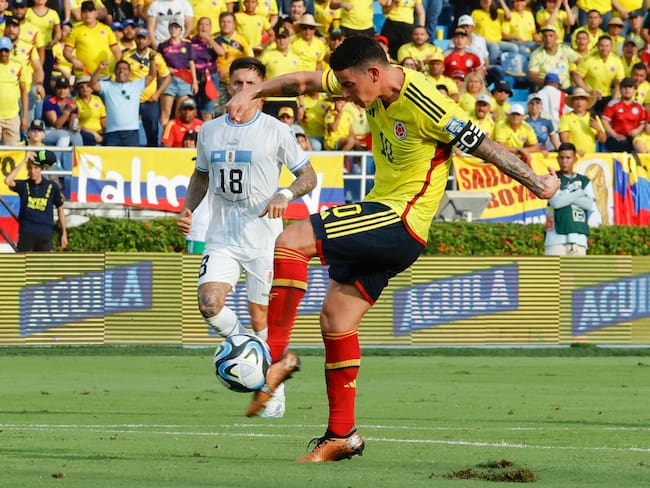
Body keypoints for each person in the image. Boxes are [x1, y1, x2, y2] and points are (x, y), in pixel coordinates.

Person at [225, 36, 559, 462]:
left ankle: (271, 357)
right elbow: (308, 80)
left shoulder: (429, 105)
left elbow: (487, 148)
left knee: (291, 240)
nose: (345, 95)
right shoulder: (368, 82)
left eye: (348, 86)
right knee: (335, 320)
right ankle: (342, 435)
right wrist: (255, 90)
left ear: (374, 73)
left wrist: (538, 184)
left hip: (399, 217)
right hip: (391, 225)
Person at [177, 56, 317, 418]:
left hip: (264, 239)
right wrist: (188, 209)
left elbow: (308, 177)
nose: (242, 90)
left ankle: (274, 388)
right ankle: (245, 347)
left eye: (250, 84)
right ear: (228, 86)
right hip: (222, 235)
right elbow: (201, 176)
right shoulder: (209, 130)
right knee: (209, 303)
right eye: (236, 83)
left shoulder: (276, 131)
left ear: (262, 91)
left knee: (261, 320)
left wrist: (284, 195)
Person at [4, 149, 67, 252]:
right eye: (30, 168)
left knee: (41, 267)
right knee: (24, 266)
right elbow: (8, 181)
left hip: (45, 233)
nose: (33, 171)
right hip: (27, 231)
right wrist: (24, 160)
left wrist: (64, 232)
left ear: (41, 169)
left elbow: (60, 208)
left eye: (36, 168)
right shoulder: (24, 185)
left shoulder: (52, 186)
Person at [90, 56, 157, 146]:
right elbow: (92, 84)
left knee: (130, 159)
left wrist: (152, 60)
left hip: (131, 132)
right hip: (112, 133)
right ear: (115, 72)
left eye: (125, 69)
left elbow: (152, 75)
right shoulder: (107, 86)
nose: (121, 71)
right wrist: (100, 69)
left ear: (129, 73)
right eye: (119, 69)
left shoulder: (137, 85)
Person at [544, 142, 595, 256]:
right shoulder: (552, 178)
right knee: (553, 274)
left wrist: (564, 195)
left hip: (579, 239)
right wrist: (579, 193)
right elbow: (556, 202)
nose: (564, 161)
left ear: (575, 159)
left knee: (578, 274)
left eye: (568, 158)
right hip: (555, 239)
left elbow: (589, 204)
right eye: (561, 158)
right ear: (557, 159)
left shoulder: (584, 180)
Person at [601, 76, 646, 152]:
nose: (627, 90)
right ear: (620, 89)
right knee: (622, 143)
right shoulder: (612, 104)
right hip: (615, 139)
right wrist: (615, 135)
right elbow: (604, 121)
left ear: (634, 90)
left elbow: (643, 123)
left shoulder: (639, 106)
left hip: (633, 139)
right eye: (624, 87)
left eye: (630, 87)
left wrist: (637, 131)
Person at [0, 35, 29, 145]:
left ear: (10, 50)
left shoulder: (18, 67)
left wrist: (25, 116)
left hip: (12, 116)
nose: (3, 53)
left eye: (6, 50)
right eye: (1, 50)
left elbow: (24, 92)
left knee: (11, 152)